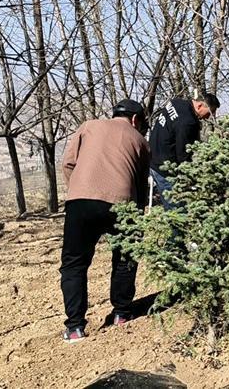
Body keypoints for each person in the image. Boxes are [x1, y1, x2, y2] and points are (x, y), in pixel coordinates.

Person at [59, 99, 151, 343]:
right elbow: (141, 184)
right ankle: (121, 313)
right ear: (135, 120)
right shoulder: (140, 141)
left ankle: (75, 327)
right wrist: (137, 214)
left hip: (80, 201)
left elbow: (68, 163)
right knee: (125, 258)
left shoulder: (88, 126)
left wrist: (78, 189)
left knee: (74, 264)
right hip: (123, 203)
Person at [148, 92, 220, 208]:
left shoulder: (176, 103)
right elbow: (184, 155)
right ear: (200, 106)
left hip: (153, 158)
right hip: (166, 169)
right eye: (209, 112)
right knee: (176, 209)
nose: (208, 117)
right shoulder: (188, 122)